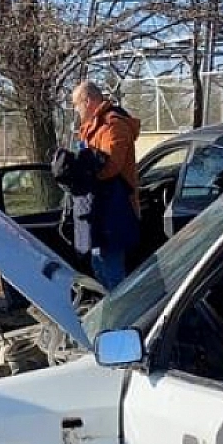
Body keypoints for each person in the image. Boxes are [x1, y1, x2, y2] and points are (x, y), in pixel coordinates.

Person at [71, 80, 143, 290]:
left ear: (88, 101)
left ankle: (121, 308)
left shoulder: (113, 125)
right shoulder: (92, 126)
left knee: (112, 272)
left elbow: (111, 167)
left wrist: (84, 170)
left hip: (113, 210)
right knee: (99, 266)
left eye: (76, 104)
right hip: (96, 208)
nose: (76, 110)